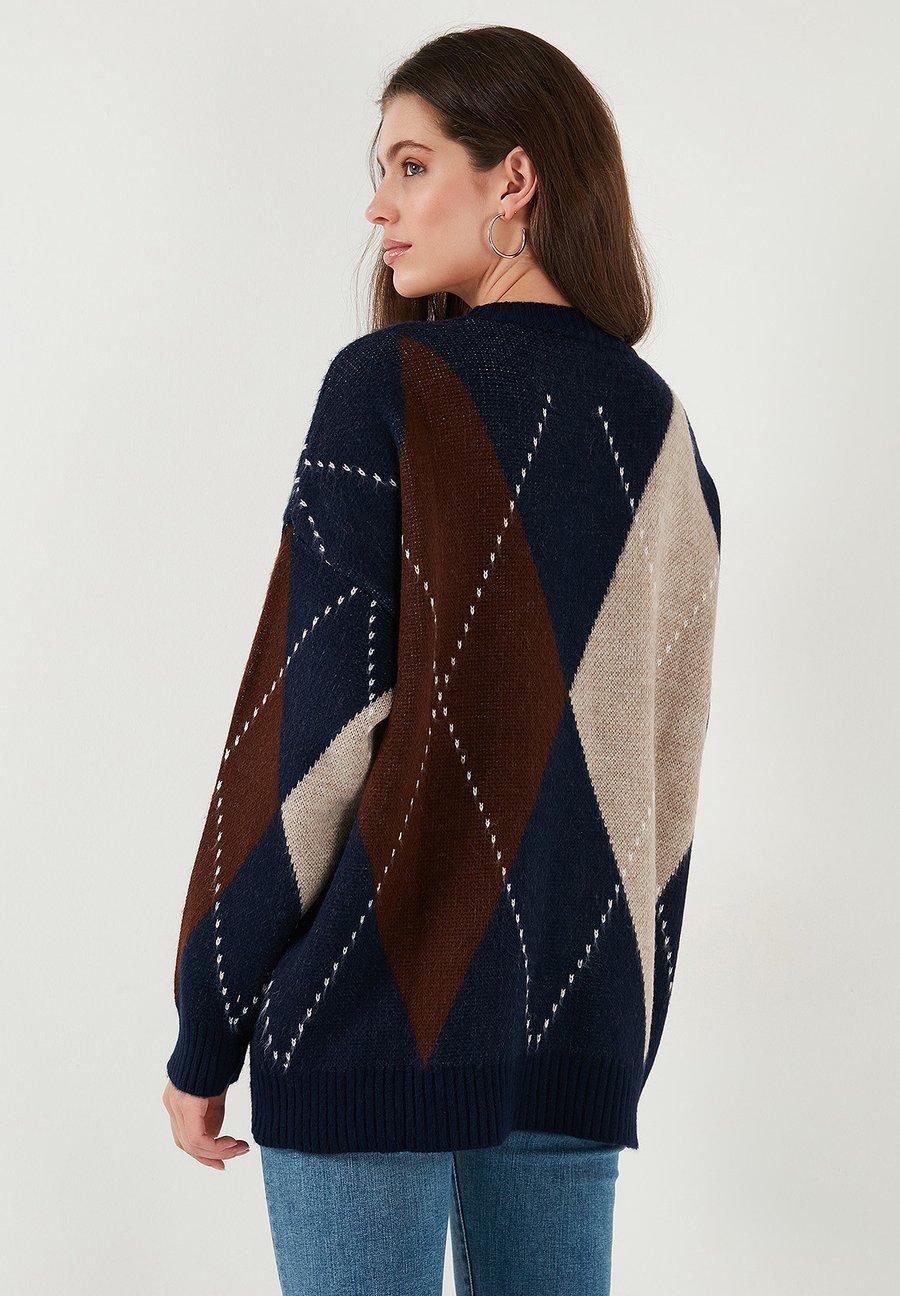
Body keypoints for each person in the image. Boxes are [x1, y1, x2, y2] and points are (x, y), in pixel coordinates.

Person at [162, 24, 722, 1296]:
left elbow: (308, 733)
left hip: (369, 1019)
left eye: (412, 166)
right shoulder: (664, 433)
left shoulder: (391, 386)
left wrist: (207, 1023)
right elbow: (663, 776)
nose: (380, 206)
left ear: (512, 179)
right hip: (574, 1032)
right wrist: (613, 1030)